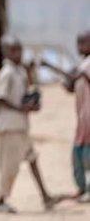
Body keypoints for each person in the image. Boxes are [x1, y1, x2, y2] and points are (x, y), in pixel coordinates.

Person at [0, 35, 56, 213]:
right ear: (5, 52)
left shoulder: (19, 71)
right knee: (9, 166)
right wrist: (20, 108)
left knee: (32, 159)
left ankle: (45, 196)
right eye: (14, 50)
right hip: (10, 126)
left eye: (20, 49)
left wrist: (31, 101)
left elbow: (27, 91)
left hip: (21, 126)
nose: (18, 53)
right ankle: (1, 200)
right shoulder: (6, 73)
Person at [58, 31, 90, 202]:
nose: (79, 47)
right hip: (82, 119)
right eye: (78, 43)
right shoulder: (82, 64)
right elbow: (72, 85)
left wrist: (51, 66)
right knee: (77, 156)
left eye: (83, 43)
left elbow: (80, 76)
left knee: (87, 157)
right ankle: (81, 187)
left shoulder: (87, 65)